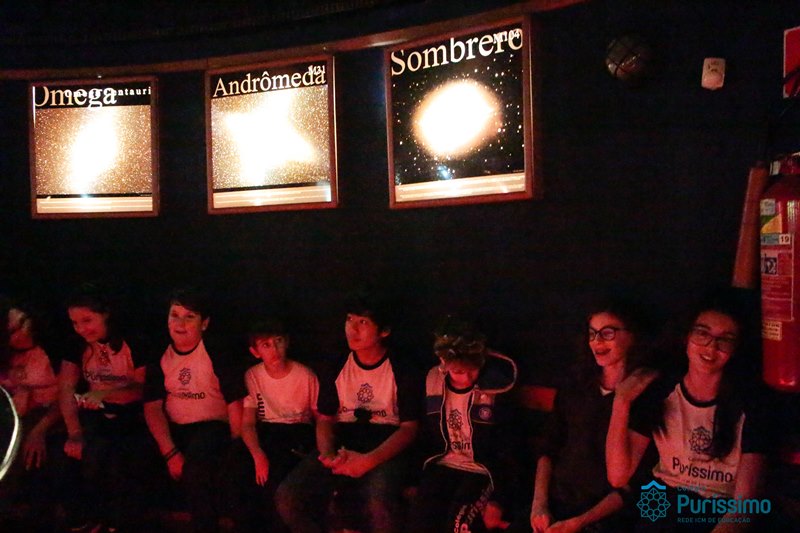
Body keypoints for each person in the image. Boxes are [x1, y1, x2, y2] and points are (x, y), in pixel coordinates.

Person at [606, 289, 768, 532]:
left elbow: (744, 506)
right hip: (661, 504)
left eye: (725, 339)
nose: (711, 346)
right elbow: (618, 476)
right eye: (702, 333)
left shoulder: (750, 404)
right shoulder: (660, 391)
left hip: (716, 511)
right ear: (686, 337)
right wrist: (621, 402)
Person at [275, 288, 423, 533]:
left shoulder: (402, 367)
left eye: (362, 322)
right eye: (349, 320)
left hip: (385, 441)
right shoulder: (336, 361)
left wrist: (368, 461)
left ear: (383, 331)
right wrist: (328, 455)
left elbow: (409, 429)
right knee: (288, 496)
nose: (352, 329)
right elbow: (325, 417)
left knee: (378, 499)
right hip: (343, 438)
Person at [529, 294, 656, 533]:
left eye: (607, 333)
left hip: (605, 516)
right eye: (592, 333)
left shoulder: (645, 396)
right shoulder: (576, 385)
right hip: (556, 502)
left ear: (632, 336)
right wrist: (539, 505)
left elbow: (631, 484)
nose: (597, 341)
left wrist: (579, 522)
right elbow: (548, 448)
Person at [143, 287, 246, 533]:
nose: (180, 324)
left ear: (204, 323)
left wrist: (237, 446)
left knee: (198, 467)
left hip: (212, 426)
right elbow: (152, 406)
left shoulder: (215, 351)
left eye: (189, 317)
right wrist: (170, 453)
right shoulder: (160, 354)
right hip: (174, 428)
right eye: (174, 315)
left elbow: (235, 400)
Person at [59, 282, 153, 532]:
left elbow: (141, 389)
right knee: (77, 456)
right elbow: (66, 389)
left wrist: (106, 392)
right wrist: (74, 433)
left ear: (106, 314)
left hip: (131, 415)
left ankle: (117, 522)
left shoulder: (134, 341)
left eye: (87, 320)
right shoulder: (76, 344)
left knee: (117, 459)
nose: (81, 329)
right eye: (75, 323)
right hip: (94, 415)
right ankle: (88, 521)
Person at [410, 316, 518, 533]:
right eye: (459, 372)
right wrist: (412, 479)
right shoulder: (433, 383)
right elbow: (424, 436)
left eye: (473, 370)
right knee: (421, 522)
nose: (467, 378)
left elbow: (510, 446)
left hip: (482, 471)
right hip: (442, 465)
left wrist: (499, 499)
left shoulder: (495, 390)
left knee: (460, 525)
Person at [229, 318, 319, 533]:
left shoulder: (305, 376)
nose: (274, 350)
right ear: (255, 351)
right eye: (266, 345)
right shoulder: (253, 375)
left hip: (296, 431)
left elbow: (318, 418)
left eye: (278, 341)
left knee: (275, 478)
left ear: (287, 342)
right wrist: (257, 454)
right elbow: (248, 424)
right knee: (236, 472)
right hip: (266, 430)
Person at [0, 299, 64, 529]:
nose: (22, 331)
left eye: (23, 322)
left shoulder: (52, 349)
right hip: (14, 417)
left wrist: (39, 430)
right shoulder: (6, 357)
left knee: (32, 454)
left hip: (50, 416)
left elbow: (67, 397)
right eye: (12, 331)